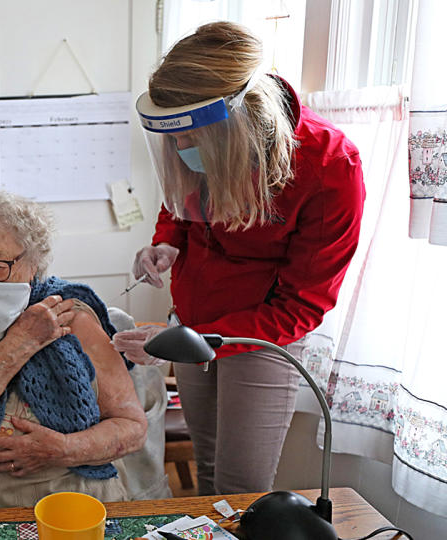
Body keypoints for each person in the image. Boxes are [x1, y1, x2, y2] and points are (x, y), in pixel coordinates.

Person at [114, 22, 366, 497]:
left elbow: (302, 305)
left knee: (240, 489)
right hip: (190, 319)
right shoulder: (203, 138)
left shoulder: (331, 167)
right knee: (208, 476)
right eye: (174, 140)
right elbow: (180, 203)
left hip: (260, 337)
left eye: (191, 140)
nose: (182, 150)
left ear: (245, 122)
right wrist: (167, 241)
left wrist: (193, 340)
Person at [0, 188, 150, 513]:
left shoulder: (71, 313)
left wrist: (63, 448)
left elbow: (132, 428)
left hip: (75, 509)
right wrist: (22, 342)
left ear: (33, 261)